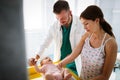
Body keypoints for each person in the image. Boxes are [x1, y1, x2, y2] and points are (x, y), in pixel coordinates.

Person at [58, 5, 118, 80]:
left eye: (86, 24)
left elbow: (104, 76)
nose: (84, 27)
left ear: (97, 20)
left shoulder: (110, 43)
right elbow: (73, 55)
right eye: (83, 24)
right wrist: (59, 64)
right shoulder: (86, 36)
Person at [29, 0, 85, 76]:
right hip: (61, 61)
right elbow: (45, 43)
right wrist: (36, 58)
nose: (60, 21)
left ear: (70, 13)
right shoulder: (54, 26)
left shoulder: (81, 23)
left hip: (76, 62)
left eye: (63, 18)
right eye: (57, 18)